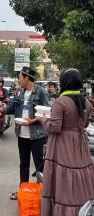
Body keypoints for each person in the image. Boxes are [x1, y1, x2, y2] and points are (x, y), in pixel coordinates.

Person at [39, 68, 94, 216]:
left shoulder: (60, 102)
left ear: (64, 82)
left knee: (63, 178)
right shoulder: (86, 103)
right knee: (79, 177)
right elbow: (86, 125)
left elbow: (55, 128)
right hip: (80, 145)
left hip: (62, 144)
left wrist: (44, 121)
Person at [0, 66, 51, 200]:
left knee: (39, 163)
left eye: (20, 78)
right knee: (23, 163)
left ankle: (43, 192)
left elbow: (47, 111)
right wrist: (0, 108)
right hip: (22, 134)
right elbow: (12, 108)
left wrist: (33, 120)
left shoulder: (41, 92)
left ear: (26, 78)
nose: (19, 80)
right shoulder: (19, 92)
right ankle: (23, 190)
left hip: (37, 135)